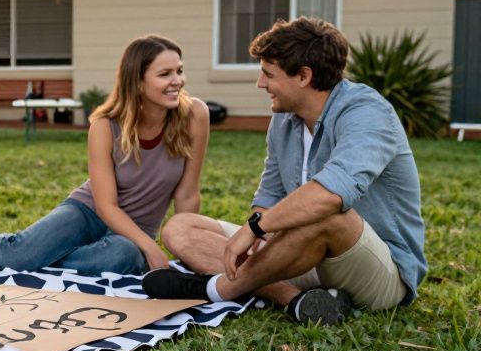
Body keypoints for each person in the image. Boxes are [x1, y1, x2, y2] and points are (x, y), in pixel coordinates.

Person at [143, 17, 426, 325]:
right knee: (181, 228)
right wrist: (259, 236)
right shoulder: (285, 117)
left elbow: (331, 195)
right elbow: (271, 192)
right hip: (302, 255)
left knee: (325, 212)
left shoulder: (368, 113)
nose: (260, 84)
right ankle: (296, 299)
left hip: (377, 271)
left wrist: (254, 230)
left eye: (269, 74)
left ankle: (218, 288)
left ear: (303, 76)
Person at [0, 36, 209, 276]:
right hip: (88, 213)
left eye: (179, 70)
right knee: (21, 257)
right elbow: (105, 206)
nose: (178, 80)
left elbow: (187, 193)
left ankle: (45, 256)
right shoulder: (105, 125)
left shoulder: (195, 115)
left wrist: (185, 253)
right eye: (165, 74)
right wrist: (151, 247)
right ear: (138, 82)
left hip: (134, 233)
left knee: (123, 257)